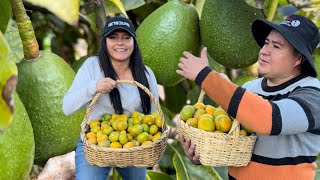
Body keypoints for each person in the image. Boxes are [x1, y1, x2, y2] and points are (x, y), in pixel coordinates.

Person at [176, 14, 320, 179]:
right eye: (266, 43)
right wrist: (201, 153)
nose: (264, 51)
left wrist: (205, 76)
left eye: (277, 46)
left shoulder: (314, 95)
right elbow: (232, 143)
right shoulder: (249, 88)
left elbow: (268, 119)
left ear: (298, 59)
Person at [63, 16, 159, 180]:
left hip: (132, 145)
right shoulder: (91, 66)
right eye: (113, 37)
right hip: (95, 144)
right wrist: (94, 86)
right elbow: (67, 107)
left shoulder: (146, 74)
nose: (120, 43)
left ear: (134, 42)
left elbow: (155, 116)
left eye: (126, 37)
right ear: (105, 42)